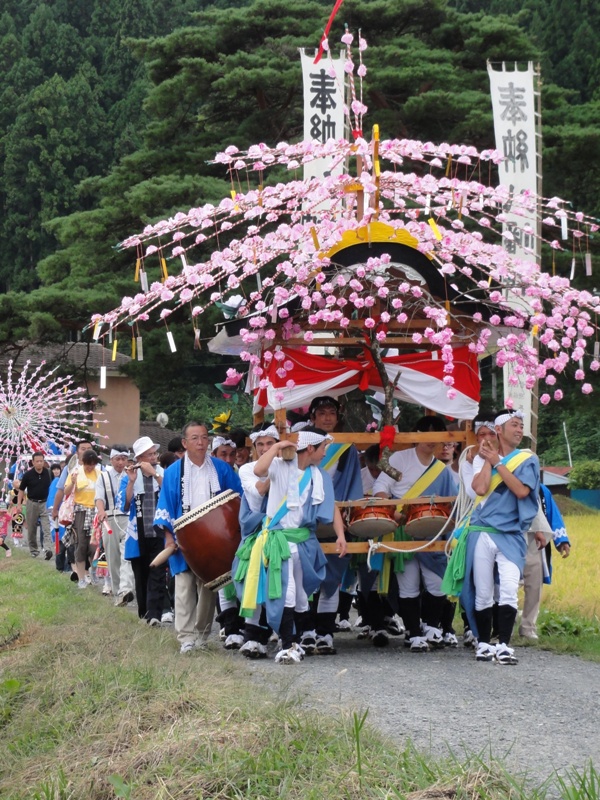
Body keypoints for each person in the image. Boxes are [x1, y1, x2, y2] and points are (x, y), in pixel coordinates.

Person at [234, 426, 345, 664]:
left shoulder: (318, 474)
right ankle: (288, 644)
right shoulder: (280, 466)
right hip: (279, 541)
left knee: (301, 596)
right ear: (312, 448)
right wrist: (275, 447)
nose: (326, 453)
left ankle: (296, 639)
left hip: (302, 542)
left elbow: (331, 506)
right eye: (323, 448)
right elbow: (258, 469)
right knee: (286, 592)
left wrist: (340, 535)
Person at [447, 409, 540, 665]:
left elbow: (522, 491)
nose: (520, 430)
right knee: (483, 591)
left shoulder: (527, 459)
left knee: (509, 588)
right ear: (500, 430)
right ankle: (484, 643)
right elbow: (479, 488)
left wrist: (498, 462)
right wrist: (489, 459)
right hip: (481, 532)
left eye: (521, 426)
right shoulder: (482, 458)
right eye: (514, 425)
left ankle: (504, 645)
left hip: (509, 533)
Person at [154, 421, 242, 653]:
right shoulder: (173, 472)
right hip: (184, 538)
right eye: (195, 438)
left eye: (204, 437)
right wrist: (169, 538)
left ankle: (202, 635)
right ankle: (186, 639)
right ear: (184, 443)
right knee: (182, 587)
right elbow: (165, 507)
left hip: (215, 540)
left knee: (207, 590)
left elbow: (238, 500)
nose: (201, 442)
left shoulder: (222, 469)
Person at [374, 416, 457, 652]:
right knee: (408, 583)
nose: (431, 440)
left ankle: (431, 626)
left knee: (437, 583)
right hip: (403, 528)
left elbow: (452, 504)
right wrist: (393, 512)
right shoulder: (399, 458)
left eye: (436, 435)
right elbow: (380, 487)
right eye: (426, 433)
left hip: (432, 532)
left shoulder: (442, 469)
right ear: (415, 433)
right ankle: (413, 632)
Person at [299, 396, 361, 655]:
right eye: (321, 412)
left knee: (332, 578)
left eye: (331, 413)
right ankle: (305, 631)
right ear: (312, 416)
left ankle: (325, 633)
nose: (327, 417)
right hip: (303, 522)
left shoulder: (346, 447)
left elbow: (353, 485)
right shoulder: (299, 447)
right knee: (303, 578)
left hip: (335, 517)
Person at [236, 422, 279, 658]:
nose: (265, 448)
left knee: (287, 586)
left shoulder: (291, 466)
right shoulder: (247, 470)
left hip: (284, 532)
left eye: (270, 444)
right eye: (260, 445)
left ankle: (289, 635)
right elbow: (260, 490)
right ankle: (252, 637)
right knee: (252, 584)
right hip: (257, 534)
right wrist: (278, 468)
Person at [119, 436, 166, 624]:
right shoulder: (129, 476)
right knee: (141, 573)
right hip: (137, 532)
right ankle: (144, 612)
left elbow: (172, 494)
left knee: (158, 572)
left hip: (159, 530)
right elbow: (125, 504)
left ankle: (155, 615)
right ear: (140, 459)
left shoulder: (163, 473)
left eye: (155, 453)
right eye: (149, 455)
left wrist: (154, 474)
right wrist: (131, 481)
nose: (154, 457)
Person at [519, 484, 571, 639]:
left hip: (535, 541)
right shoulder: (503, 482)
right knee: (505, 584)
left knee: (534, 585)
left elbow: (553, 515)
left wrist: (561, 540)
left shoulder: (541, 490)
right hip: (509, 537)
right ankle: (502, 624)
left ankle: (528, 627)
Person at [95, 445, 135, 606]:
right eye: (117, 459)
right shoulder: (103, 476)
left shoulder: (132, 474)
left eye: (124, 459)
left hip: (128, 519)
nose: (121, 462)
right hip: (109, 518)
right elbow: (99, 497)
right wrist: (100, 511)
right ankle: (118, 590)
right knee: (112, 557)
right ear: (111, 460)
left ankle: (125, 589)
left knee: (127, 555)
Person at [64, 448, 102, 587]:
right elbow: (66, 492)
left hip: (96, 512)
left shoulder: (100, 474)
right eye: (88, 464)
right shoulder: (75, 473)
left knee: (95, 546)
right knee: (81, 544)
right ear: (82, 462)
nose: (90, 467)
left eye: (93, 464)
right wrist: (73, 482)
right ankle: (81, 578)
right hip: (80, 511)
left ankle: (93, 573)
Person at [17, 451, 53, 559]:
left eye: (41, 461)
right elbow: (21, 490)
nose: (39, 463)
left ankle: (47, 549)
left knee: (46, 527)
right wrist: (19, 504)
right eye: (37, 461)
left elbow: (52, 488)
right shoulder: (27, 475)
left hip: (45, 503)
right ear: (32, 462)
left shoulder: (48, 472)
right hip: (32, 503)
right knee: (32, 528)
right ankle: (34, 550)